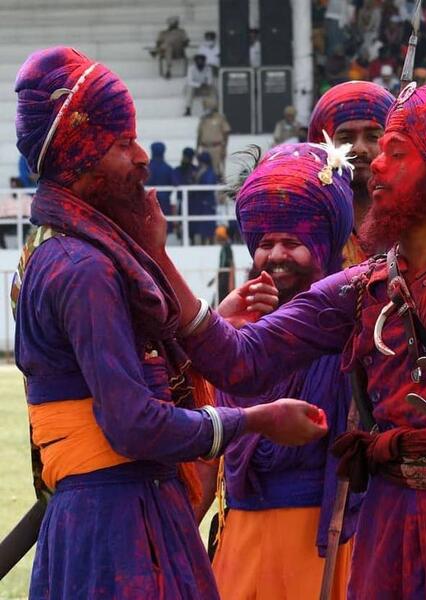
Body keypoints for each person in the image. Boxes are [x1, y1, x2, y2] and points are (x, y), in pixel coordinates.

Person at [146, 80, 426, 599]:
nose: (372, 164)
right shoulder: (360, 288)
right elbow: (240, 361)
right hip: (388, 531)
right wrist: (156, 255)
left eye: (394, 151)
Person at [12, 46, 328, 600]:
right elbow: (133, 422)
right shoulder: (82, 267)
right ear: (81, 159)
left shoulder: (66, 251)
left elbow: (120, 376)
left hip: (115, 510)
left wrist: (206, 326)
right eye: (120, 144)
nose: (141, 157)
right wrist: (254, 420)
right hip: (116, 524)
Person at [211, 142, 357, 600]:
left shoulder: (353, 320)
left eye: (292, 243)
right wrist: (224, 333)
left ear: (322, 245)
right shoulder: (238, 321)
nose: (275, 255)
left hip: (327, 538)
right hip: (241, 537)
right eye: (265, 244)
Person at [307, 80, 395, 265]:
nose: (359, 148)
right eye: (346, 138)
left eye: (373, 137)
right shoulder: (310, 226)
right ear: (322, 144)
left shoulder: (416, 222)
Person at [197, 96, 231, 178]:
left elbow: (226, 132)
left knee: (217, 171)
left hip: (217, 148)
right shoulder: (203, 119)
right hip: (205, 148)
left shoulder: (220, 118)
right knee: (203, 171)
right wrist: (197, 149)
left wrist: (224, 148)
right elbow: (199, 135)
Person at [147, 141, 174, 233]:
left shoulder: (146, 168)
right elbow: (174, 183)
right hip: (164, 203)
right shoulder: (168, 169)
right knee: (164, 227)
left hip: (148, 202)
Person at [212, 225, 234, 306]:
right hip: (223, 277)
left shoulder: (227, 248)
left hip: (225, 278)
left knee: (222, 300)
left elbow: (230, 265)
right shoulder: (224, 247)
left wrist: (231, 282)